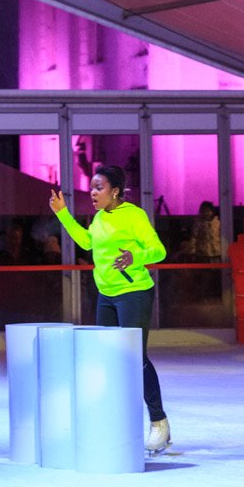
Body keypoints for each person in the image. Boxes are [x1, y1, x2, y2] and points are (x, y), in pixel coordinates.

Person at [49, 165, 171, 455]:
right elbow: (87, 242)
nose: (92, 192)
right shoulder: (100, 217)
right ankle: (115, 422)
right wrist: (62, 213)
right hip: (106, 294)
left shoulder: (134, 216)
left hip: (134, 293)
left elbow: (159, 250)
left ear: (114, 191)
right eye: (92, 187)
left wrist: (135, 256)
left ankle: (159, 421)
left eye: (98, 187)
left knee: (134, 359)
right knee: (107, 358)